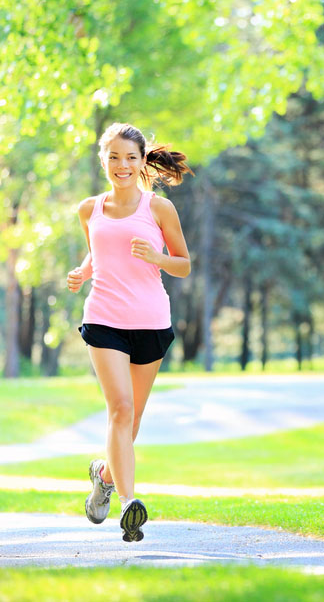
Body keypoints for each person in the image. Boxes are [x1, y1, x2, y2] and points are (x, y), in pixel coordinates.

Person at [67, 122, 192, 542]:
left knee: (132, 420)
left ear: (141, 162)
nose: (122, 165)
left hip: (150, 321)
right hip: (104, 319)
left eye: (130, 157)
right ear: (103, 160)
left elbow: (183, 264)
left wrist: (157, 257)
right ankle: (128, 504)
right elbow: (98, 252)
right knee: (119, 410)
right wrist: (82, 272)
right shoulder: (89, 209)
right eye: (114, 157)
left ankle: (103, 476)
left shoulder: (159, 209)